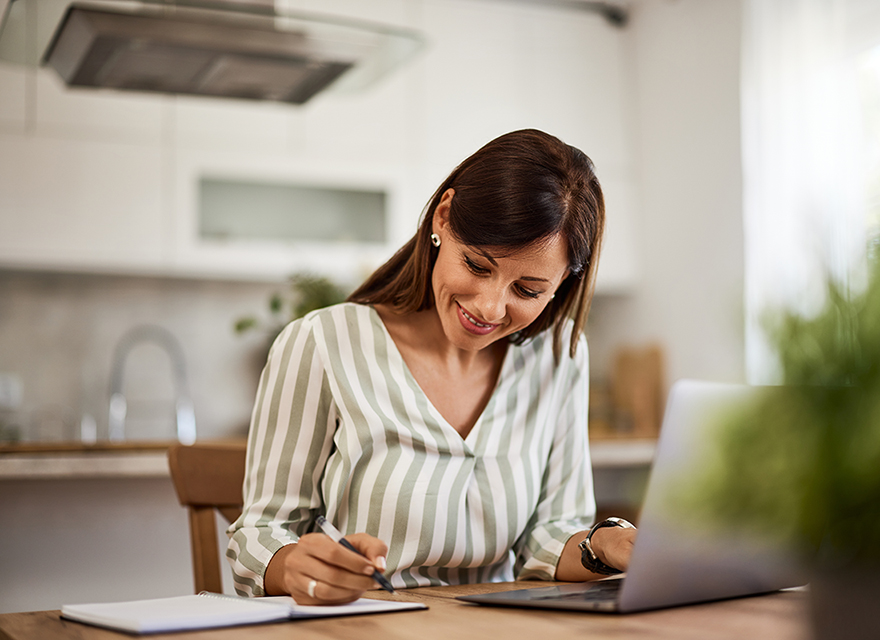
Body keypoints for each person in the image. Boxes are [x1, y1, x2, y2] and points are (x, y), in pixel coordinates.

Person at [226, 129, 637, 604]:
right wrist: (298, 566)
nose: (489, 307)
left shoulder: (559, 356)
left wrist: (600, 544)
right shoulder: (322, 342)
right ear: (443, 217)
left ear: (561, 283)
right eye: (478, 265)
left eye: (527, 290)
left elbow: (545, 538)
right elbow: (258, 535)